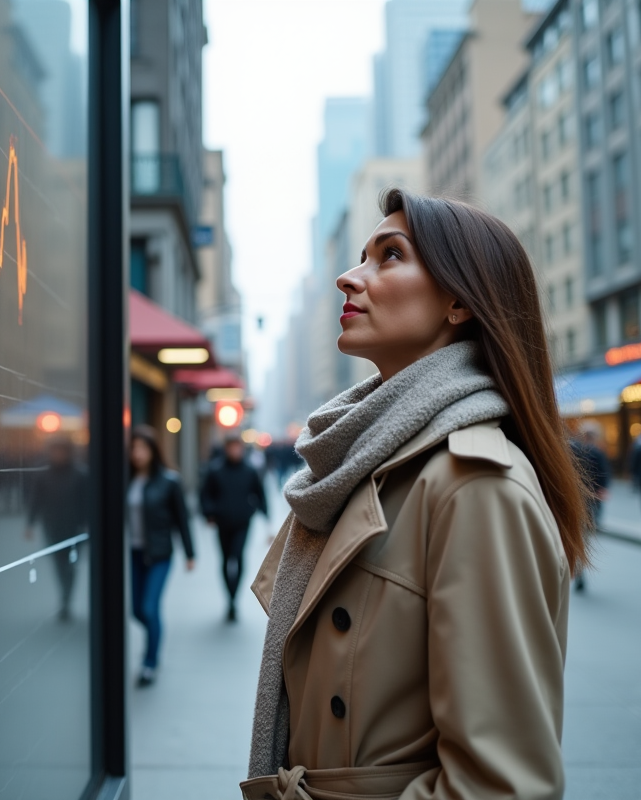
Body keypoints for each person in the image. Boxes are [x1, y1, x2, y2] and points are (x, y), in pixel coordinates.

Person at [243, 189, 587, 800]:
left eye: (390, 255)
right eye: (361, 257)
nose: (350, 277)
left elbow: (499, 785)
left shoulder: (477, 484)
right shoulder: (358, 459)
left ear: (459, 301)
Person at [128, 426, 194, 686]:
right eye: (134, 448)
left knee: (149, 607)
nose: (137, 453)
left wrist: (190, 553)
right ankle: (154, 638)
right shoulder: (128, 479)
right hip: (134, 553)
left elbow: (182, 519)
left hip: (159, 554)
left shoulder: (169, 481)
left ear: (153, 451)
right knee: (136, 611)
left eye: (142, 448)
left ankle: (150, 662)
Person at [201, 433, 268, 622]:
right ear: (226, 448)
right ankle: (229, 597)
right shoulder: (215, 470)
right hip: (222, 523)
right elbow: (205, 495)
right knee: (225, 559)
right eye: (231, 447)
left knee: (237, 557)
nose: (235, 451)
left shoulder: (249, 470)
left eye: (237, 447)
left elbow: (260, 494)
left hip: (242, 522)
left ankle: (234, 598)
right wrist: (209, 513)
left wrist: (261, 513)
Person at [25, 437, 88, 621]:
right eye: (55, 451)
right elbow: (36, 500)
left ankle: (66, 599)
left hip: (75, 529)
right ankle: (64, 598)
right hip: (52, 528)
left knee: (70, 567)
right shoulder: (43, 476)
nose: (58, 455)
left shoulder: (80, 474)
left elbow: (87, 501)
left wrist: (87, 525)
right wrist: (30, 524)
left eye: (61, 451)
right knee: (59, 566)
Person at [570, 422, 610, 592]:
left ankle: (578, 568)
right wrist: (602, 490)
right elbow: (605, 474)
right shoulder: (596, 451)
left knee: (578, 535)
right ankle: (579, 567)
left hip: (575, 500)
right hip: (590, 501)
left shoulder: (573, 449)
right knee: (583, 535)